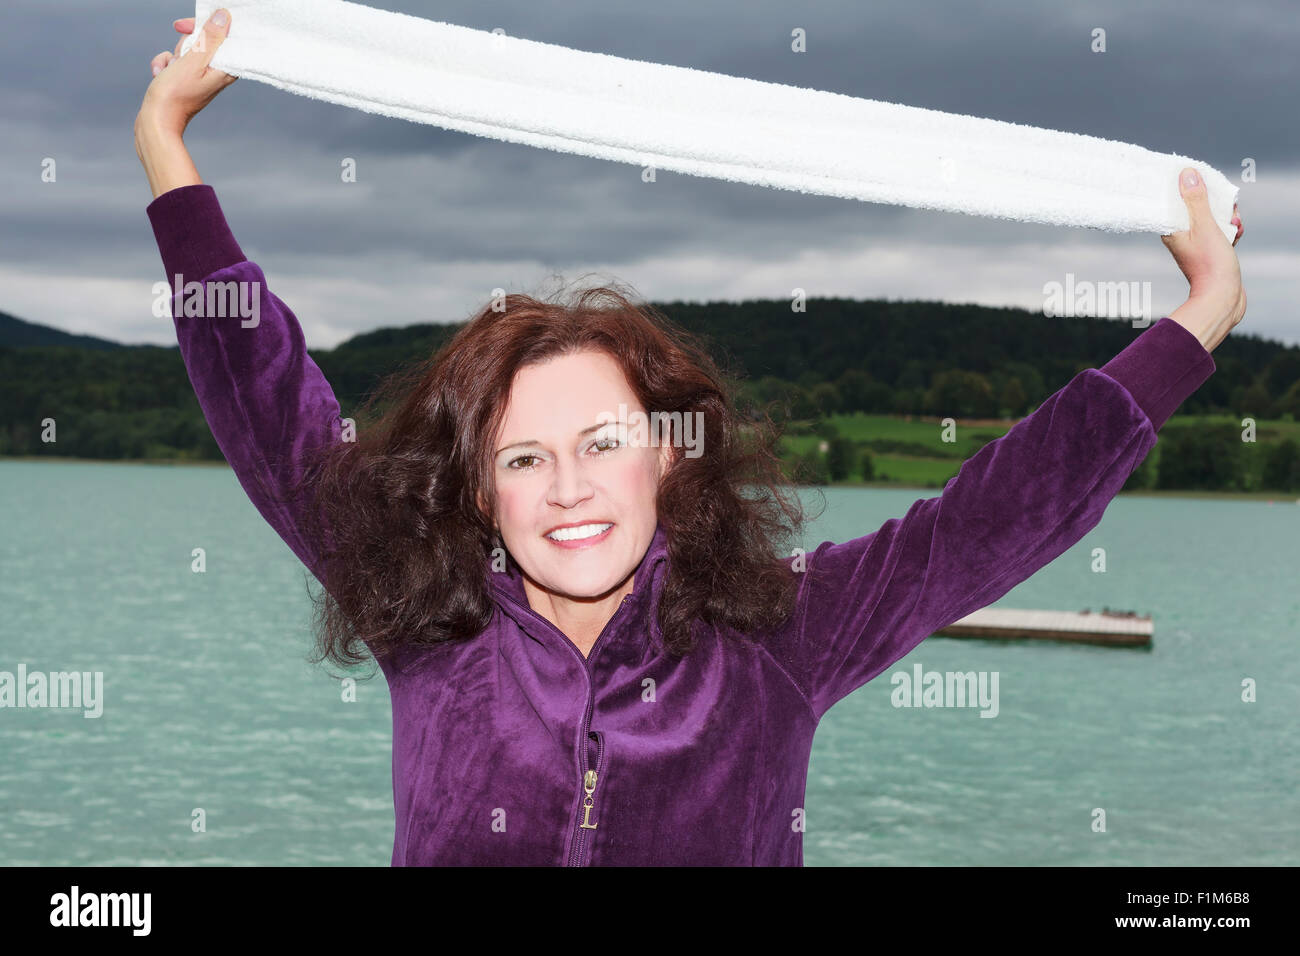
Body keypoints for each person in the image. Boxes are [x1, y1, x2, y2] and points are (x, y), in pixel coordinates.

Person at [136, 10, 1247, 866]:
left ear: (668, 451)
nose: (567, 486)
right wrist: (165, 145)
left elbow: (991, 516)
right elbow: (267, 401)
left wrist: (1195, 321)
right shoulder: (427, 620)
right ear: (480, 492)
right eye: (523, 457)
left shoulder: (783, 632)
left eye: (603, 441)